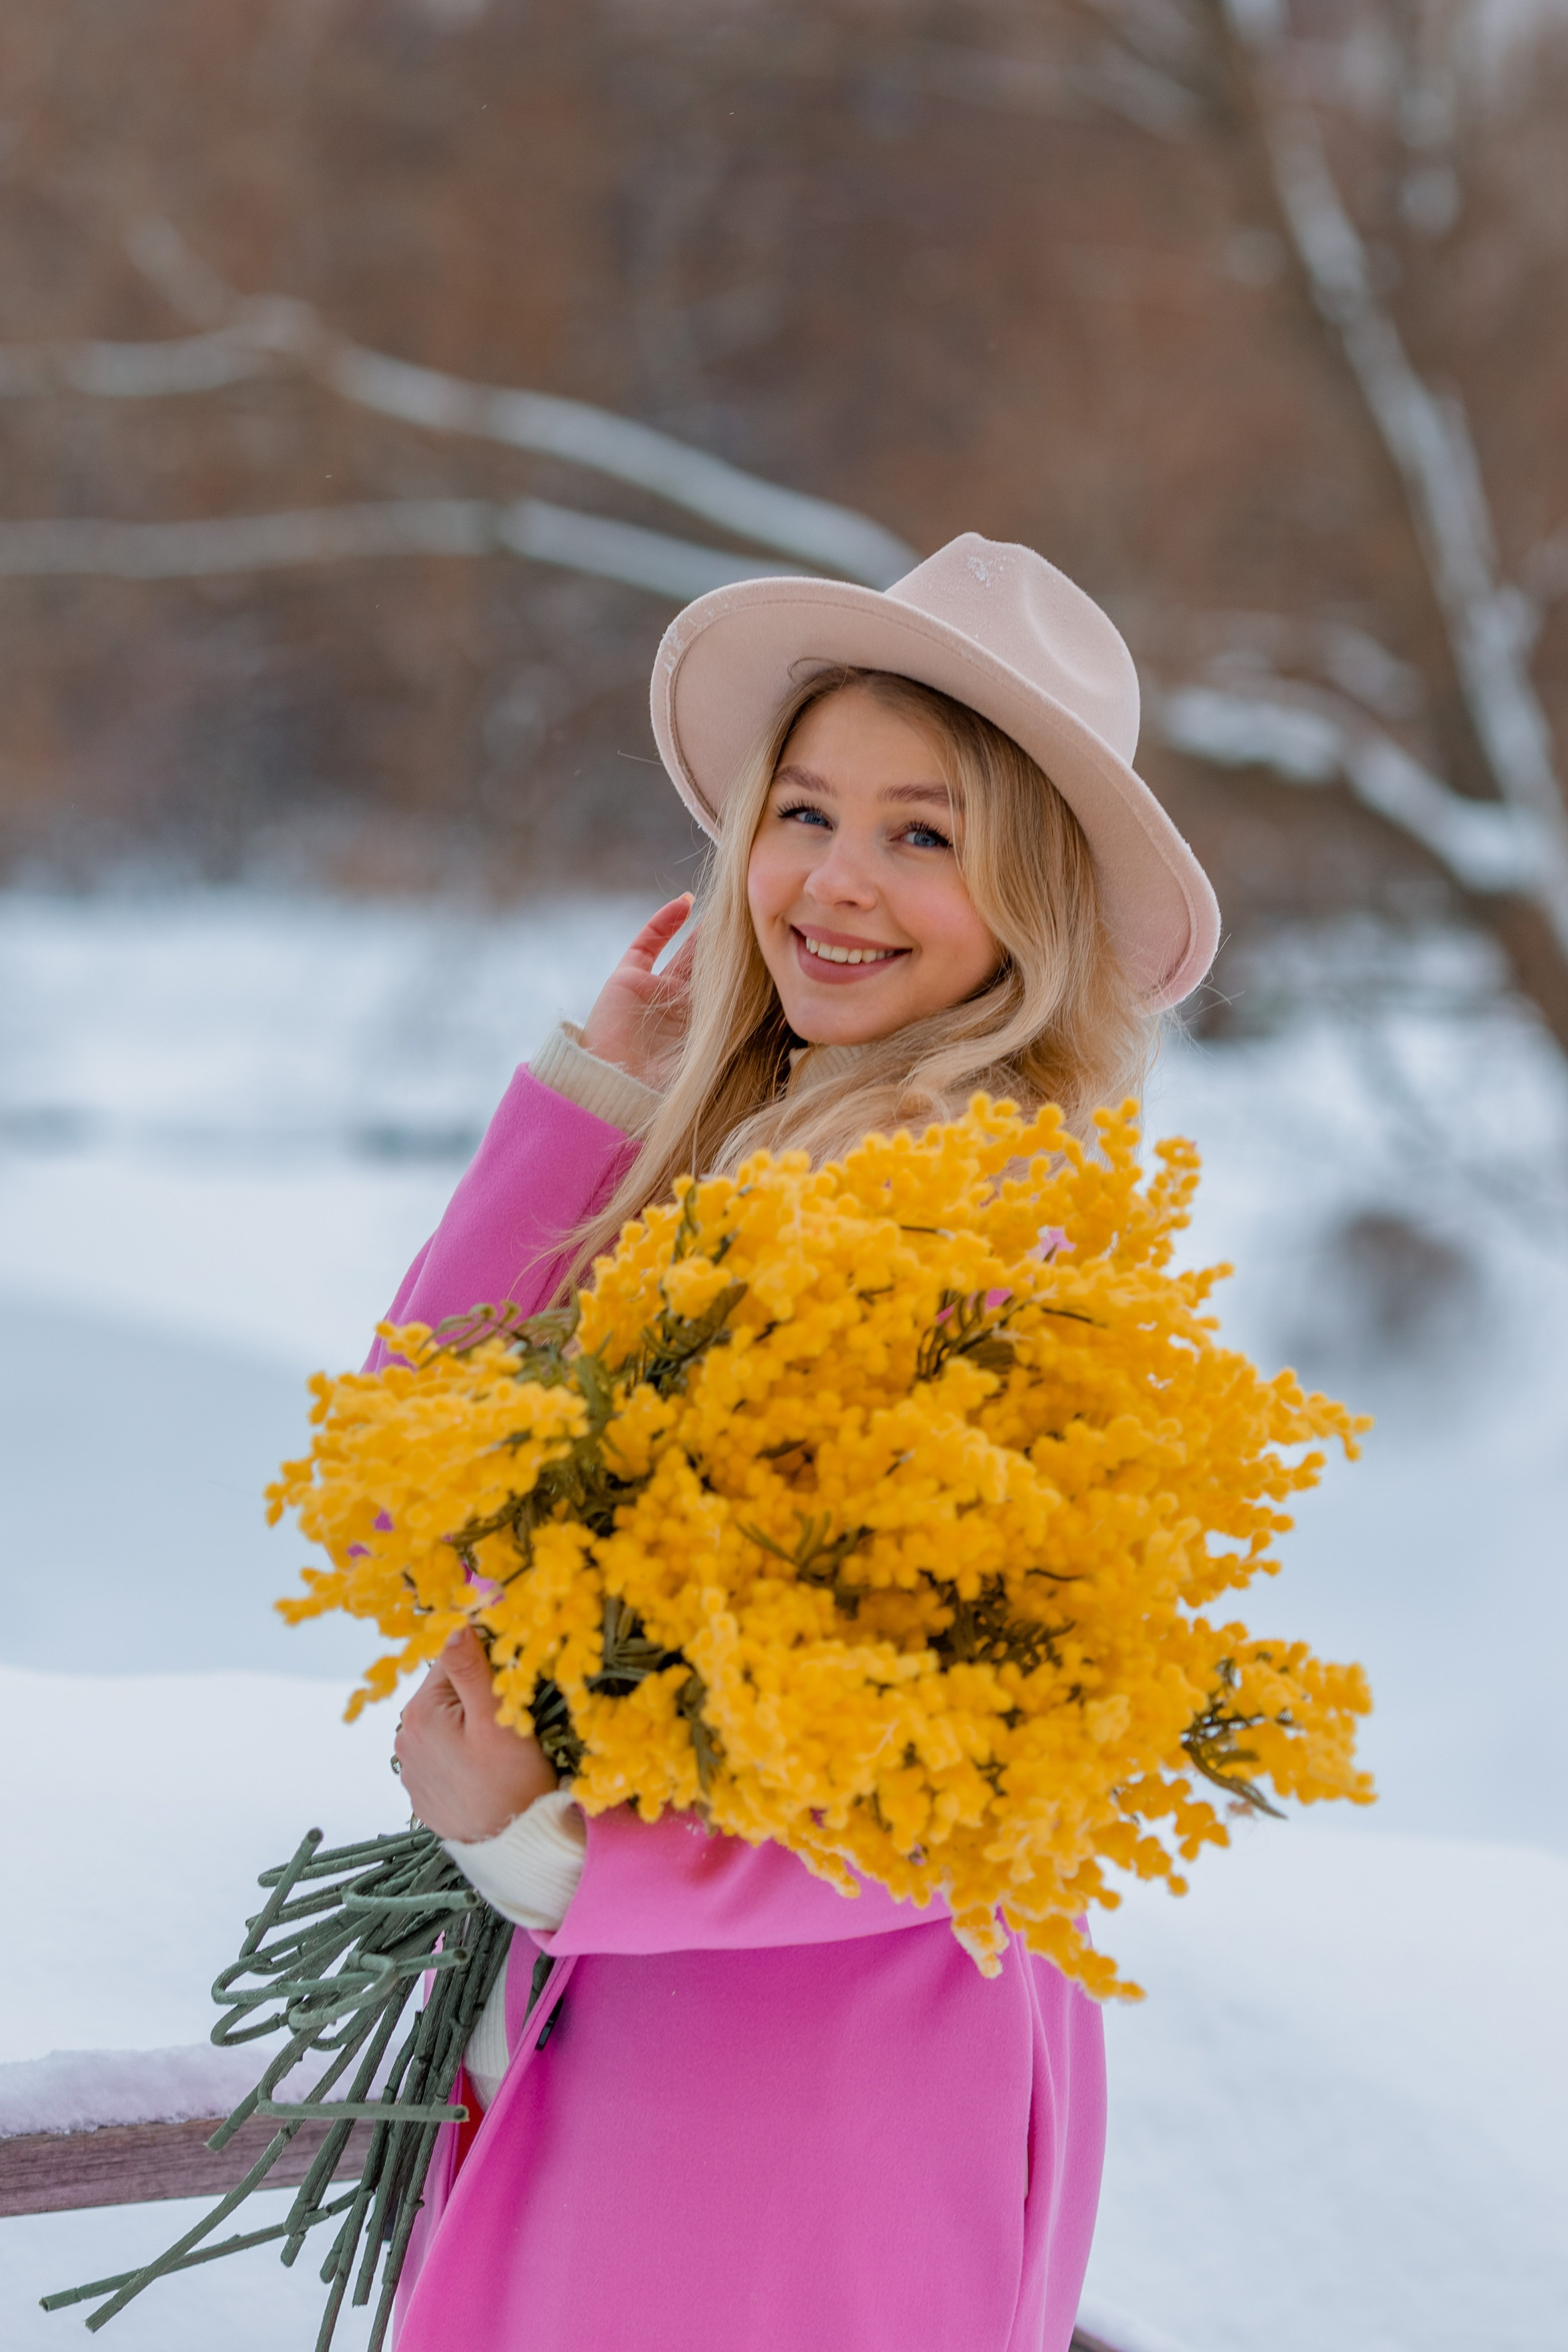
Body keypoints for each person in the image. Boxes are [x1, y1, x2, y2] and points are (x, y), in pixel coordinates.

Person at [384, 532, 1219, 2352]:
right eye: (807, 812)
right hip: (622, 2061)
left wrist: (554, 1853)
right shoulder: (751, 1156)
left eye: (925, 834)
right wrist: (599, 1104)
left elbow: (1004, 1778)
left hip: (828, 2113)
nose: (837, 885)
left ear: (1035, 896)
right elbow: (414, 1477)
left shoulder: (1015, 1232)